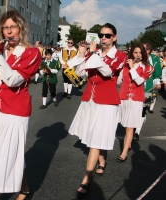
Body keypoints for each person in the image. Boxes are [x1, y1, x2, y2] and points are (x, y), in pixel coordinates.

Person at [0, 10, 42, 199]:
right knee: (2, 156)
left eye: (13, 26)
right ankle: (25, 189)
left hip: (15, 113)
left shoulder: (32, 52)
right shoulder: (2, 50)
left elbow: (13, 80)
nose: (9, 31)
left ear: (21, 28)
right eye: (5, 28)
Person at [67, 23, 127, 197]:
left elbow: (108, 72)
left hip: (107, 102)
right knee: (93, 135)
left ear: (114, 37)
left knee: (94, 141)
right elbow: (80, 73)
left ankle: (86, 179)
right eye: (101, 35)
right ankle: (102, 160)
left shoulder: (120, 55)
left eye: (107, 35)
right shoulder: (96, 54)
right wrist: (81, 54)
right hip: (90, 100)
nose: (103, 38)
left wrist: (93, 55)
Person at [117, 44, 153, 162]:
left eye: (140, 53)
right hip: (123, 98)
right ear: (131, 53)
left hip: (136, 99)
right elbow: (118, 81)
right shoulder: (125, 66)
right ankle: (129, 141)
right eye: (135, 52)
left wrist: (132, 67)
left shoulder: (147, 67)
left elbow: (139, 81)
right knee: (124, 124)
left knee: (129, 127)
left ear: (143, 54)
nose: (137, 55)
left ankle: (124, 153)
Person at [133, 43, 162, 140]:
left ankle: (137, 131)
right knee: (135, 109)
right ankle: (132, 127)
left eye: (143, 50)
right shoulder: (136, 58)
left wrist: (157, 83)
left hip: (148, 88)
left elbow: (157, 74)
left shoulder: (154, 59)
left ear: (148, 50)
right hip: (135, 88)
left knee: (143, 109)